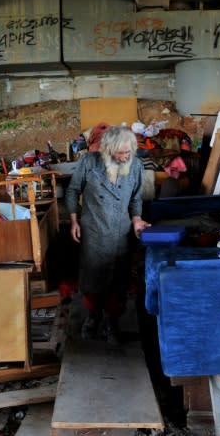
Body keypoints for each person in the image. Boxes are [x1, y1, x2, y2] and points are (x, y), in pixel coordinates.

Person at [65, 124, 151, 344]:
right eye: (120, 153)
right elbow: (73, 190)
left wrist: (137, 219)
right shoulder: (88, 163)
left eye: (129, 152)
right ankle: (93, 317)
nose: (125, 157)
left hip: (121, 232)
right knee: (93, 278)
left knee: (118, 280)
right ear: (107, 151)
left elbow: (135, 199)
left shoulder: (136, 166)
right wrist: (74, 220)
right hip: (93, 230)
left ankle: (112, 321)